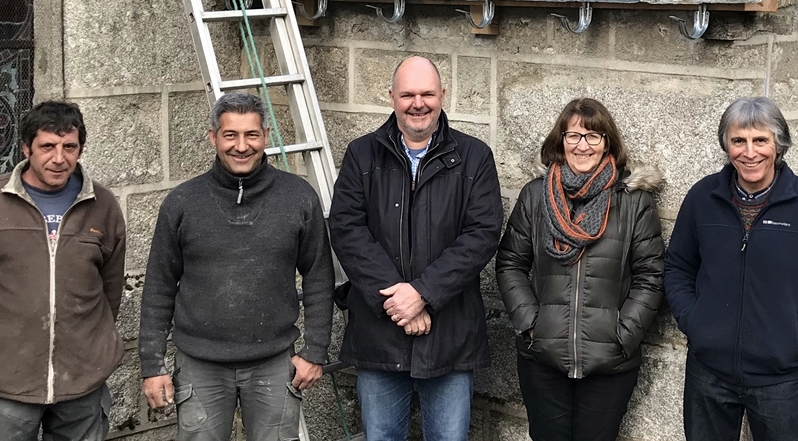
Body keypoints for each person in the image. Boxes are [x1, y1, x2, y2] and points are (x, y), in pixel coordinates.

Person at [665, 96, 798, 441]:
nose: (749, 152)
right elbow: (678, 267)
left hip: (781, 379)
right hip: (708, 373)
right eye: (738, 141)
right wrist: (695, 322)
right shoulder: (702, 199)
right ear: (726, 146)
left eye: (760, 140)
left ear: (778, 144)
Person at [138, 92, 333, 441]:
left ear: (266, 137)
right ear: (213, 137)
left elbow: (319, 276)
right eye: (230, 135)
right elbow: (158, 287)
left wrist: (315, 351)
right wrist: (153, 366)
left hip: (274, 364)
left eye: (251, 135)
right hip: (200, 366)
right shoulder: (181, 203)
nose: (241, 146)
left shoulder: (298, 197)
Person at [329, 55, 503, 441]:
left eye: (427, 93)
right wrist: (399, 302)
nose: (418, 103)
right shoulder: (362, 154)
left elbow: (483, 233)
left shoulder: (475, 157)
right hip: (379, 332)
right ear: (391, 96)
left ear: (444, 94)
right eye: (408, 94)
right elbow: (345, 228)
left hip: (449, 336)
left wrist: (423, 294)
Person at [0, 101, 125, 441]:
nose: (59, 158)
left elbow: (111, 286)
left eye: (69, 147)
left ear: (81, 148)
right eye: (47, 147)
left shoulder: (103, 205)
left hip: (81, 383)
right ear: (26, 148)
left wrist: (88, 339)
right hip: (7, 384)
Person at [496, 97, 664, 441]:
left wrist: (624, 333)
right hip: (543, 358)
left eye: (593, 136)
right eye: (573, 136)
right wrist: (532, 324)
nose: (582, 145)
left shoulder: (633, 202)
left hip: (609, 362)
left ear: (608, 144)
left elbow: (651, 275)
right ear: (560, 142)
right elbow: (510, 262)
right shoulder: (535, 196)